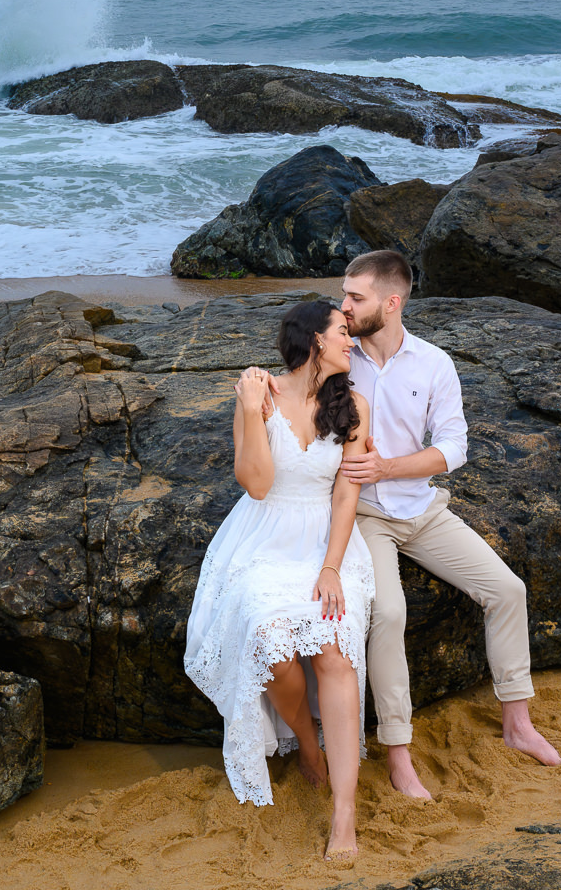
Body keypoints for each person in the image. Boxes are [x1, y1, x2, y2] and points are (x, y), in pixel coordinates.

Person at [338, 250, 561, 800]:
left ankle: (518, 723)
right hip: (363, 515)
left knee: (507, 590)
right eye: (344, 295)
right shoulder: (339, 356)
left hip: (422, 509)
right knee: (388, 612)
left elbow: (454, 447)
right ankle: (398, 752)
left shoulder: (434, 363)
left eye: (356, 297)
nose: (344, 306)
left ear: (392, 302)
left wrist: (389, 467)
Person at [184, 300, 375, 867]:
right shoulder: (260, 393)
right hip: (264, 538)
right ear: (314, 340)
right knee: (270, 639)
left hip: (327, 542)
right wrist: (249, 411)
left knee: (335, 650)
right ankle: (308, 744)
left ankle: (344, 811)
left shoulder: (354, 405)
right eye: (342, 332)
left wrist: (331, 567)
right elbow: (258, 484)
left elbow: (347, 493)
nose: (351, 341)